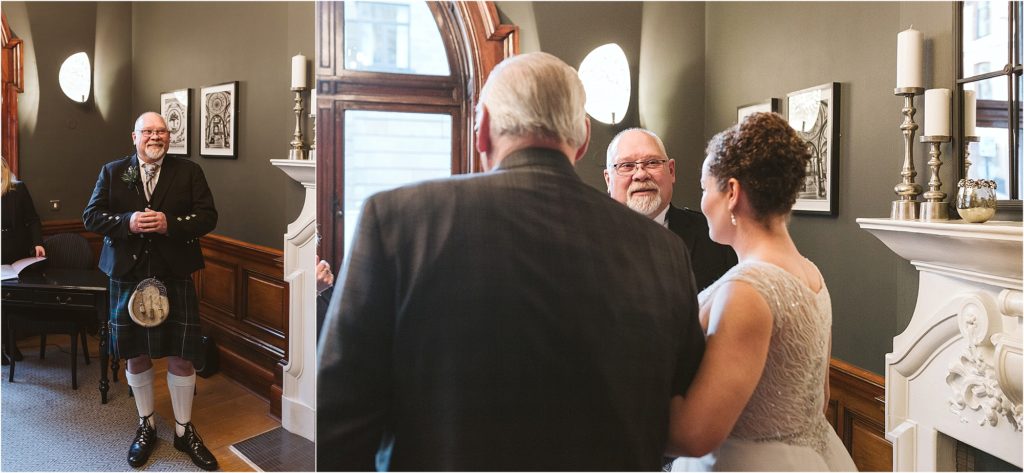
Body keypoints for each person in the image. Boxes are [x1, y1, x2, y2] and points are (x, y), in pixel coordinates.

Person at [317, 52, 705, 471]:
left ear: (482, 130)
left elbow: (342, 412)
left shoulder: (395, 219)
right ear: (584, 139)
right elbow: (679, 406)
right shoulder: (663, 250)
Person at [665, 112, 856, 471]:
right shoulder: (811, 275)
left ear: (732, 193)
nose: (703, 201)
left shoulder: (748, 291)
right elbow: (822, 399)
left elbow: (694, 436)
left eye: (705, 188)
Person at [83, 112, 219, 471]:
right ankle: (146, 425)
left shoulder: (189, 172)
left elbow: (208, 217)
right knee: (135, 354)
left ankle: (183, 429)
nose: (155, 136)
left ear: (168, 136)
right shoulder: (113, 171)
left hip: (173, 273)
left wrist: (169, 223)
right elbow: (91, 217)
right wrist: (127, 222)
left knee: (182, 354)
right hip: (127, 274)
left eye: (161, 131)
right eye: (148, 131)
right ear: (135, 136)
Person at [604, 129, 736, 291]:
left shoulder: (716, 238)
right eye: (627, 166)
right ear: (608, 179)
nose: (640, 174)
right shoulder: (587, 242)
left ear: (671, 171)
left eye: (652, 163)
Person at [1, 157, 45, 365]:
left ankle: (11, 343)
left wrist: (38, 242)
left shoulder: (18, 189)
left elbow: (32, 219)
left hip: (16, 254)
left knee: (12, 301)